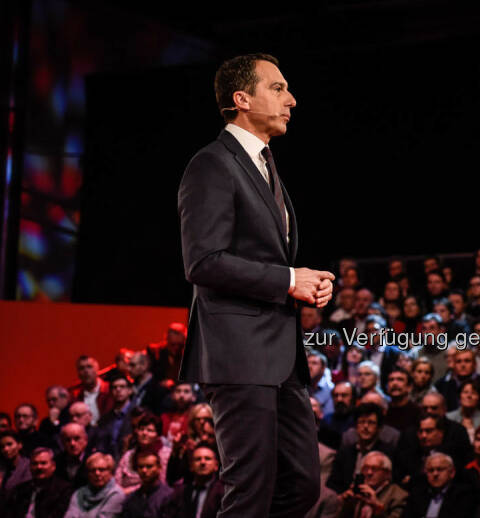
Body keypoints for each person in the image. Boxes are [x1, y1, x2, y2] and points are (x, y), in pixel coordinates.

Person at [178, 53, 335, 517]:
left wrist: (302, 283)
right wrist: (289, 280)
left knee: (304, 487)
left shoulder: (266, 167)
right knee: (250, 492)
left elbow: (261, 257)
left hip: (281, 357)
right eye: (278, 88)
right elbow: (203, 261)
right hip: (238, 354)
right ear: (241, 99)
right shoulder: (211, 164)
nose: (291, 99)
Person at [0, 447, 73, 518]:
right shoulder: (20, 489)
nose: (39, 467)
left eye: (43, 463)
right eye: (34, 464)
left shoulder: (64, 490)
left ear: (53, 466)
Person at [403, 453, 479, 518]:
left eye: (440, 469)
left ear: (452, 473)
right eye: (431, 470)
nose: (435, 474)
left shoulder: (463, 496)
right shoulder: (417, 494)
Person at [335, 451, 407, 518]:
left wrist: (377, 508)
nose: (369, 472)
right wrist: (346, 506)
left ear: (387, 473)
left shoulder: (399, 496)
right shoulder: (358, 490)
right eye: (365, 468)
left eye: (375, 469)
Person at [160, 445, 224, 518]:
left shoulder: (223, 491)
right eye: (198, 459)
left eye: (207, 459)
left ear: (216, 465)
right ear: (191, 466)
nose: (202, 462)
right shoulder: (180, 492)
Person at [64, 453, 124, 517]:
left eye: (101, 470)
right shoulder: (79, 493)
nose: (97, 473)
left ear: (110, 472)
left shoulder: (116, 494)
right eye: (92, 470)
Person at [120, 450, 172, 518]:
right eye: (141, 467)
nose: (144, 470)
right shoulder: (131, 498)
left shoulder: (169, 496)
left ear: (159, 468)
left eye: (149, 466)